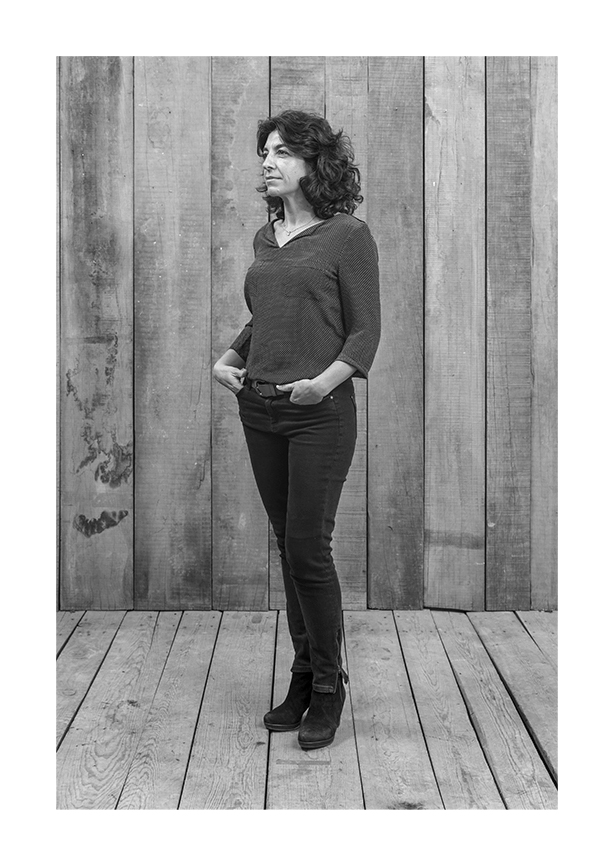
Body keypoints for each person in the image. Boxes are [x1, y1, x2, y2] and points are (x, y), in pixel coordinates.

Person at [213, 109, 380, 750]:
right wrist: (230, 357)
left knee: (309, 548)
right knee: (289, 546)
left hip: (318, 413)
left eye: (282, 152)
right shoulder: (268, 237)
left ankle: (330, 685)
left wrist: (322, 384)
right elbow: (270, 315)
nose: (268, 162)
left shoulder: (347, 236)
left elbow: (365, 329)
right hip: (258, 407)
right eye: (266, 151)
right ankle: (304, 676)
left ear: (316, 163)